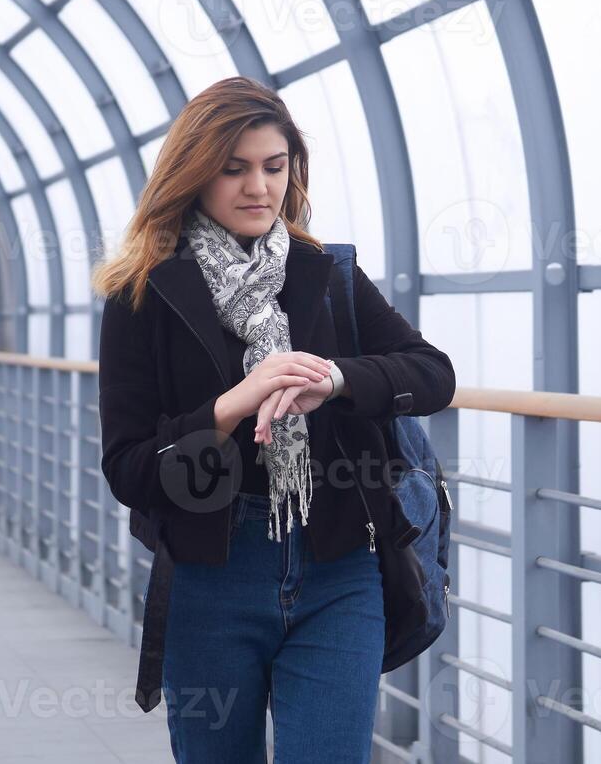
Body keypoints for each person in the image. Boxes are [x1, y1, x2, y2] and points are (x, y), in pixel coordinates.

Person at [90, 76, 457, 763]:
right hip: (213, 572)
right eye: (233, 169)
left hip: (340, 564)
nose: (257, 187)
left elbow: (431, 372)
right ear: (192, 174)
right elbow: (130, 469)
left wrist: (335, 378)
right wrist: (233, 404)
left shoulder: (327, 276)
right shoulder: (143, 294)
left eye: (273, 166)